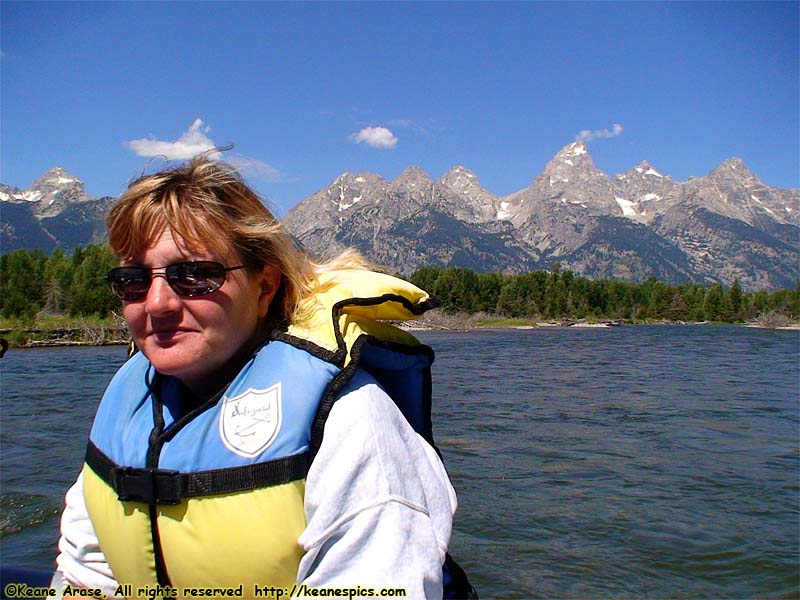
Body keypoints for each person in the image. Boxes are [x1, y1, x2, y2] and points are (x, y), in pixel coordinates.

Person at [54, 155, 475, 599]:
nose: (156, 302)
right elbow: (87, 569)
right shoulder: (130, 405)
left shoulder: (350, 418)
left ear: (264, 287)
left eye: (194, 275)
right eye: (133, 280)